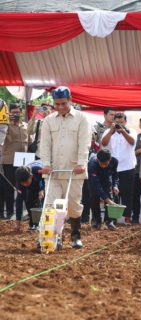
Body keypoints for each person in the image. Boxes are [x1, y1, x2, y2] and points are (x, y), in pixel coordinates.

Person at [40, 86, 91, 249]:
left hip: (74, 171)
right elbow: (45, 144)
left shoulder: (82, 119)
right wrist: (46, 164)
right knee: (51, 205)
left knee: (74, 206)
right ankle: (52, 236)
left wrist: (82, 163)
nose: (60, 107)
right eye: (57, 104)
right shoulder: (48, 120)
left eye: (63, 103)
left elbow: (85, 143)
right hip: (53, 172)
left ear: (70, 100)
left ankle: (75, 235)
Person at [101, 112, 137, 224]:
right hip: (111, 168)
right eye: (117, 122)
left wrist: (123, 132)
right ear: (113, 122)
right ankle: (112, 218)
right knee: (111, 193)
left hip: (127, 167)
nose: (119, 125)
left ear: (125, 122)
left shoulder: (131, 131)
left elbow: (132, 142)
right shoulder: (108, 131)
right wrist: (111, 132)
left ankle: (127, 217)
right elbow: (104, 143)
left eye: (121, 122)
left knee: (127, 193)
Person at [2, 103, 29, 220]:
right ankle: (9, 212)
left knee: (23, 186)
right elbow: (6, 138)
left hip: (23, 161)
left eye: (18, 112)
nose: (16, 115)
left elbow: (30, 138)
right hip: (9, 160)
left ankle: (23, 212)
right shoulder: (6, 126)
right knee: (8, 187)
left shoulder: (25, 125)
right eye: (13, 113)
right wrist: (8, 122)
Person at [88, 149, 118, 230]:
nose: (103, 166)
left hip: (106, 179)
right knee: (94, 197)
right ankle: (96, 220)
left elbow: (115, 174)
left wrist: (115, 185)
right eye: (101, 163)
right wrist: (106, 199)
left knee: (110, 196)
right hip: (94, 181)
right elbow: (96, 185)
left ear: (110, 160)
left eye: (105, 163)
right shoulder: (92, 164)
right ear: (97, 160)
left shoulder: (114, 161)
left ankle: (109, 221)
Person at [15, 164, 44, 231]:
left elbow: (43, 179)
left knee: (41, 202)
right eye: (23, 183)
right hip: (28, 190)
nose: (25, 184)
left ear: (31, 176)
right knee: (28, 201)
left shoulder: (37, 170)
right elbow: (18, 202)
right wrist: (18, 220)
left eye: (26, 182)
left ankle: (42, 223)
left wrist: (42, 189)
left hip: (39, 185)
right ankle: (33, 224)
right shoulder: (19, 184)